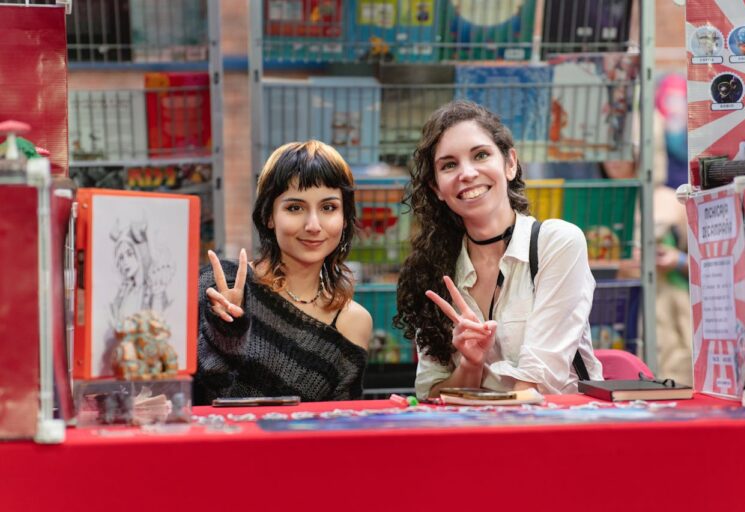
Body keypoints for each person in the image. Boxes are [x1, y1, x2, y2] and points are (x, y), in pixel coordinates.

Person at [394, 100, 603, 399]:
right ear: (436, 188)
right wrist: (471, 364)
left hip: (559, 422)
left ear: (510, 164)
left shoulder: (557, 243)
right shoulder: (431, 270)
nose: (467, 173)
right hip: (478, 425)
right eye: (449, 165)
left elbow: (536, 384)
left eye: (480, 155)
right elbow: (432, 394)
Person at [194, 140, 372, 405]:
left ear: (345, 218)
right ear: (269, 216)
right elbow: (186, 395)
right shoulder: (221, 286)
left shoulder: (354, 322)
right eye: (295, 208)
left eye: (328, 207)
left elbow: (340, 423)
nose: (313, 225)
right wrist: (225, 333)